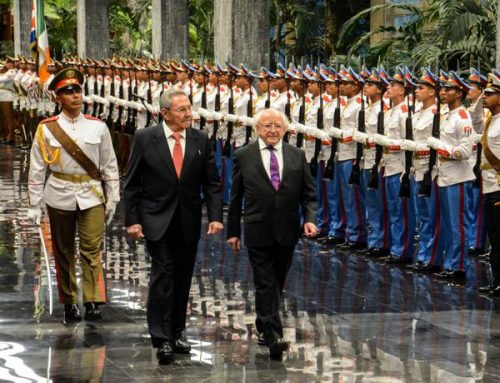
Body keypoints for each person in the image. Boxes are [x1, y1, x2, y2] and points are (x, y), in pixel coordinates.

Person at [124, 88, 223, 365]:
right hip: (156, 217)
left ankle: (178, 331)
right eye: (181, 110)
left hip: (188, 219)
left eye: (189, 108)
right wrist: (132, 220)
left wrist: (215, 216)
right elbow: (131, 183)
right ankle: (161, 337)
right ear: (165, 113)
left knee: (182, 276)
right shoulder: (146, 138)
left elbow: (212, 183)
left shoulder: (200, 138)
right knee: (163, 274)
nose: (188, 114)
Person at [27, 68, 120, 323]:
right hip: (59, 192)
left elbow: (109, 164)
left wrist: (113, 197)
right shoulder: (47, 129)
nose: (75, 96)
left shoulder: (98, 127)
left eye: (77, 90)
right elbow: (37, 168)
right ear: (58, 98)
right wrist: (34, 204)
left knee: (92, 248)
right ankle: (69, 301)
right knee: (64, 250)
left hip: (91, 193)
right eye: (68, 92)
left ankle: (92, 301)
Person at [226, 108, 318, 359]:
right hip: (257, 228)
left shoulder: (297, 155)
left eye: (278, 126)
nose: (273, 130)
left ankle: (263, 325)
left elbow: (309, 195)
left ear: (285, 129)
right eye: (267, 126)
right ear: (257, 129)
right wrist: (232, 231)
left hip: (287, 229)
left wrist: (309, 220)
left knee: (277, 280)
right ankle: (274, 334)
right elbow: (235, 197)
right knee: (265, 281)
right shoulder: (244, 155)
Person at [478, 72, 500, 295]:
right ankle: (496, 280)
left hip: (499, 187)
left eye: (490, 94)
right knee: (494, 236)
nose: (485, 97)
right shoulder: (490, 120)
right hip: (490, 185)